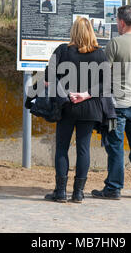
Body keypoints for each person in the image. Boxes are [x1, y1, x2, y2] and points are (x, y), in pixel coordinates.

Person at [91, 5, 131, 200]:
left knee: (115, 146)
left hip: (118, 105)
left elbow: (104, 73)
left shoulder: (115, 44)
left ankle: (113, 188)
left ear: (121, 22)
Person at [44, 17, 109, 203]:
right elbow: (107, 84)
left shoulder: (63, 51)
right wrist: (86, 94)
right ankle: (78, 193)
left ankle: (61, 192)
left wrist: (67, 90)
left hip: (66, 106)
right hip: (90, 108)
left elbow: (48, 79)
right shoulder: (100, 54)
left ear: (73, 32)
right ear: (91, 32)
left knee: (62, 148)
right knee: (83, 149)